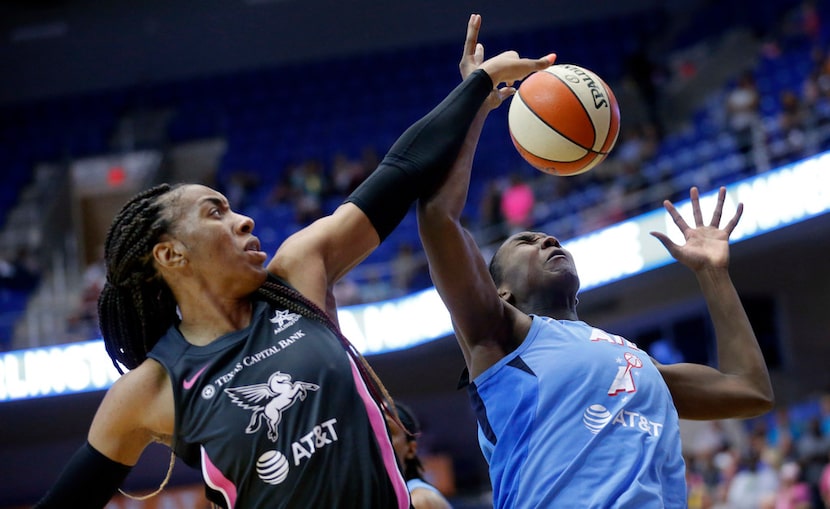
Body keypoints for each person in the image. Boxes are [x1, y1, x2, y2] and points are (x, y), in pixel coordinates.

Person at [34, 20, 554, 509]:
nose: (244, 222)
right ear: (170, 255)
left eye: (234, 208)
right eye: (216, 213)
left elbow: (403, 171)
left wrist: (475, 91)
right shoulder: (151, 388)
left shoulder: (297, 274)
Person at [415, 16, 774, 508]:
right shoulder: (498, 338)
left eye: (547, 236)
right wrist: (476, 99)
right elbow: (438, 216)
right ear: (501, 293)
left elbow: (749, 390)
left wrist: (713, 275)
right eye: (526, 242)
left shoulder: (636, 364)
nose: (545, 239)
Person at [386, 402, 454, 509]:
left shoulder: (421, 500)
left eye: (388, 431)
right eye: (371, 431)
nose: (377, 438)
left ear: (411, 449)